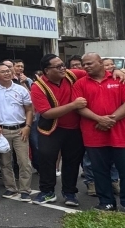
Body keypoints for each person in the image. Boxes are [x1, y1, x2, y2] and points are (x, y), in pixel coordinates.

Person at [74, 53, 125, 213]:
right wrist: (99, 119)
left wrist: (109, 120)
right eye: (84, 64)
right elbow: (79, 107)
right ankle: (106, 202)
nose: (86, 66)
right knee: (99, 171)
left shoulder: (120, 79)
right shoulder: (80, 83)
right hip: (94, 135)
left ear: (100, 63)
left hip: (121, 135)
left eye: (90, 63)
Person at [31, 55, 87, 206]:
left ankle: (70, 193)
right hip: (50, 130)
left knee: (72, 162)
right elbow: (47, 113)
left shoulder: (72, 74)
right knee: (47, 160)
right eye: (58, 66)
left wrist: (116, 72)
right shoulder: (38, 87)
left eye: (63, 64)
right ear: (47, 71)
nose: (63, 68)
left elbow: (94, 72)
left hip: (74, 128)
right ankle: (47, 192)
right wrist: (73, 105)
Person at [0, 63, 35, 201]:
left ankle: (25, 190)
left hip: (21, 130)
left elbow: (29, 110)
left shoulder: (21, 89)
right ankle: (10, 188)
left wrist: (28, 126)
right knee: (5, 162)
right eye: (3, 71)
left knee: (24, 162)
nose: (7, 73)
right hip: (2, 131)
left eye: (8, 70)